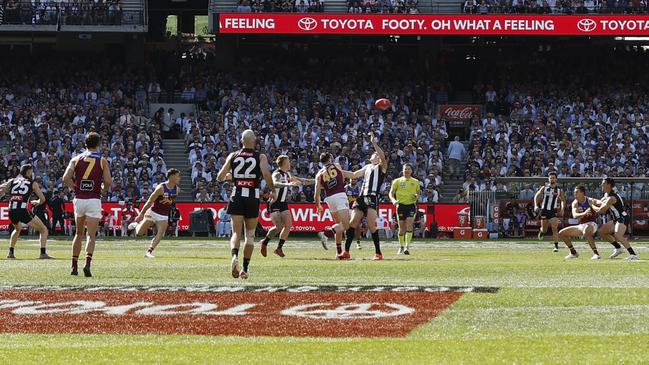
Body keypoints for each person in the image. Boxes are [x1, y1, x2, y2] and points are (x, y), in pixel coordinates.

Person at [217, 129, 275, 280]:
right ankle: (245, 268)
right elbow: (267, 174)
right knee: (250, 235)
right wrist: (273, 190)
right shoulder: (260, 156)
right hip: (252, 196)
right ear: (254, 141)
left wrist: (233, 176)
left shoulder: (233, 155)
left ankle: (234, 256)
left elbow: (220, 177)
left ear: (241, 141)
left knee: (236, 233)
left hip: (237, 194)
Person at [63, 132, 113, 277]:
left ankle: (73, 266)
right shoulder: (102, 160)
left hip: (79, 199)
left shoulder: (76, 159)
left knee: (78, 233)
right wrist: (103, 190)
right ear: (98, 144)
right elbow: (108, 181)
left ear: (85, 144)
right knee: (91, 235)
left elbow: (66, 177)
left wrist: (75, 188)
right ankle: (87, 263)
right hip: (93, 199)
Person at [342, 132, 388, 260]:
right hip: (362, 197)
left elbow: (383, 156)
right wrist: (339, 171)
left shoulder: (382, 167)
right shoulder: (367, 167)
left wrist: (374, 142)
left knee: (370, 224)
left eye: (375, 154)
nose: (373, 155)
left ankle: (378, 252)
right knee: (353, 222)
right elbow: (353, 175)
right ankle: (346, 251)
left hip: (372, 197)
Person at [260, 155, 314, 258]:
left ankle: (279, 248)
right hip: (274, 203)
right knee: (278, 227)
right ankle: (265, 242)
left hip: (283, 203)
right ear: (284, 163)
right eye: (288, 161)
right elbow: (275, 183)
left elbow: (302, 180)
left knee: (288, 225)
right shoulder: (277, 174)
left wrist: (317, 181)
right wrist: (289, 185)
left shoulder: (287, 174)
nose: (290, 163)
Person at [0, 164, 52, 259]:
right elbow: (43, 199)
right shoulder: (33, 183)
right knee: (43, 229)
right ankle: (43, 253)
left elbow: (1, 190)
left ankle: (10, 252)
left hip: (11, 210)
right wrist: (37, 202)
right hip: (23, 210)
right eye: (31, 171)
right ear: (28, 171)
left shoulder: (12, 181)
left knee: (17, 229)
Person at [315, 152, 359, 258]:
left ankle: (338, 252)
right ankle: (327, 233)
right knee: (347, 224)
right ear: (330, 159)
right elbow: (343, 177)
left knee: (339, 224)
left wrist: (318, 205)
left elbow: (316, 193)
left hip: (329, 199)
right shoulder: (337, 165)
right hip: (339, 196)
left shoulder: (318, 174)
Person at [129, 168, 181, 258]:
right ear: (172, 177)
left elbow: (170, 201)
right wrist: (141, 214)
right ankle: (136, 226)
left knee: (160, 234)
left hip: (163, 215)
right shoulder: (161, 188)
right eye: (177, 176)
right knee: (139, 233)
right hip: (152, 212)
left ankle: (149, 252)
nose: (179, 178)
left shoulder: (177, 190)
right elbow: (150, 201)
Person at [592, 178, 639, 260]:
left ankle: (633, 254)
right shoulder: (607, 195)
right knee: (601, 232)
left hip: (622, 217)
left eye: (603, 183)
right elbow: (601, 202)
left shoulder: (611, 197)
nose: (601, 185)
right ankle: (618, 248)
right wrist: (592, 201)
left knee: (618, 235)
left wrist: (592, 205)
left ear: (609, 185)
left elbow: (601, 210)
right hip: (616, 219)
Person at [558, 185, 601, 260]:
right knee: (561, 233)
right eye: (574, 192)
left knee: (586, 232)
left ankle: (596, 254)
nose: (574, 194)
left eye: (576, 192)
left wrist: (601, 203)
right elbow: (575, 215)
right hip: (581, 225)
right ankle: (573, 252)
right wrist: (584, 213)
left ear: (582, 193)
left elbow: (599, 202)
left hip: (592, 224)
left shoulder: (589, 200)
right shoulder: (575, 203)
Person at [389, 163, 420, 255]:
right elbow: (391, 193)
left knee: (409, 224)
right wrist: (393, 200)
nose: (406, 171)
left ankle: (407, 247)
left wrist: (416, 196)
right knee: (401, 228)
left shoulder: (415, 182)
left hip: (411, 206)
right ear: (402, 170)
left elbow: (418, 193)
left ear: (411, 171)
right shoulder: (397, 181)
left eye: (408, 169)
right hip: (400, 206)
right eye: (405, 169)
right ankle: (401, 246)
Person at [534, 172, 566, 252]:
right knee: (544, 229)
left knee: (554, 228)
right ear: (548, 179)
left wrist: (562, 209)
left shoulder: (559, 190)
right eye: (550, 178)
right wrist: (535, 205)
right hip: (544, 210)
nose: (552, 179)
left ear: (556, 179)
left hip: (552, 211)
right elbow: (536, 196)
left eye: (553, 178)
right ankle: (541, 232)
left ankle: (556, 246)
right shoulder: (544, 188)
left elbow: (563, 200)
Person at [345, 178, 362, 250]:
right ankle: (347, 241)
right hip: (347, 208)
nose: (353, 181)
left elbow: (361, 198)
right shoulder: (346, 188)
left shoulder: (359, 188)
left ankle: (358, 242)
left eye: (355, 180)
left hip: (355, 209)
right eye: (352, 179)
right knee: (346, 225)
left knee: (357, 226)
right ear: (350, 180)